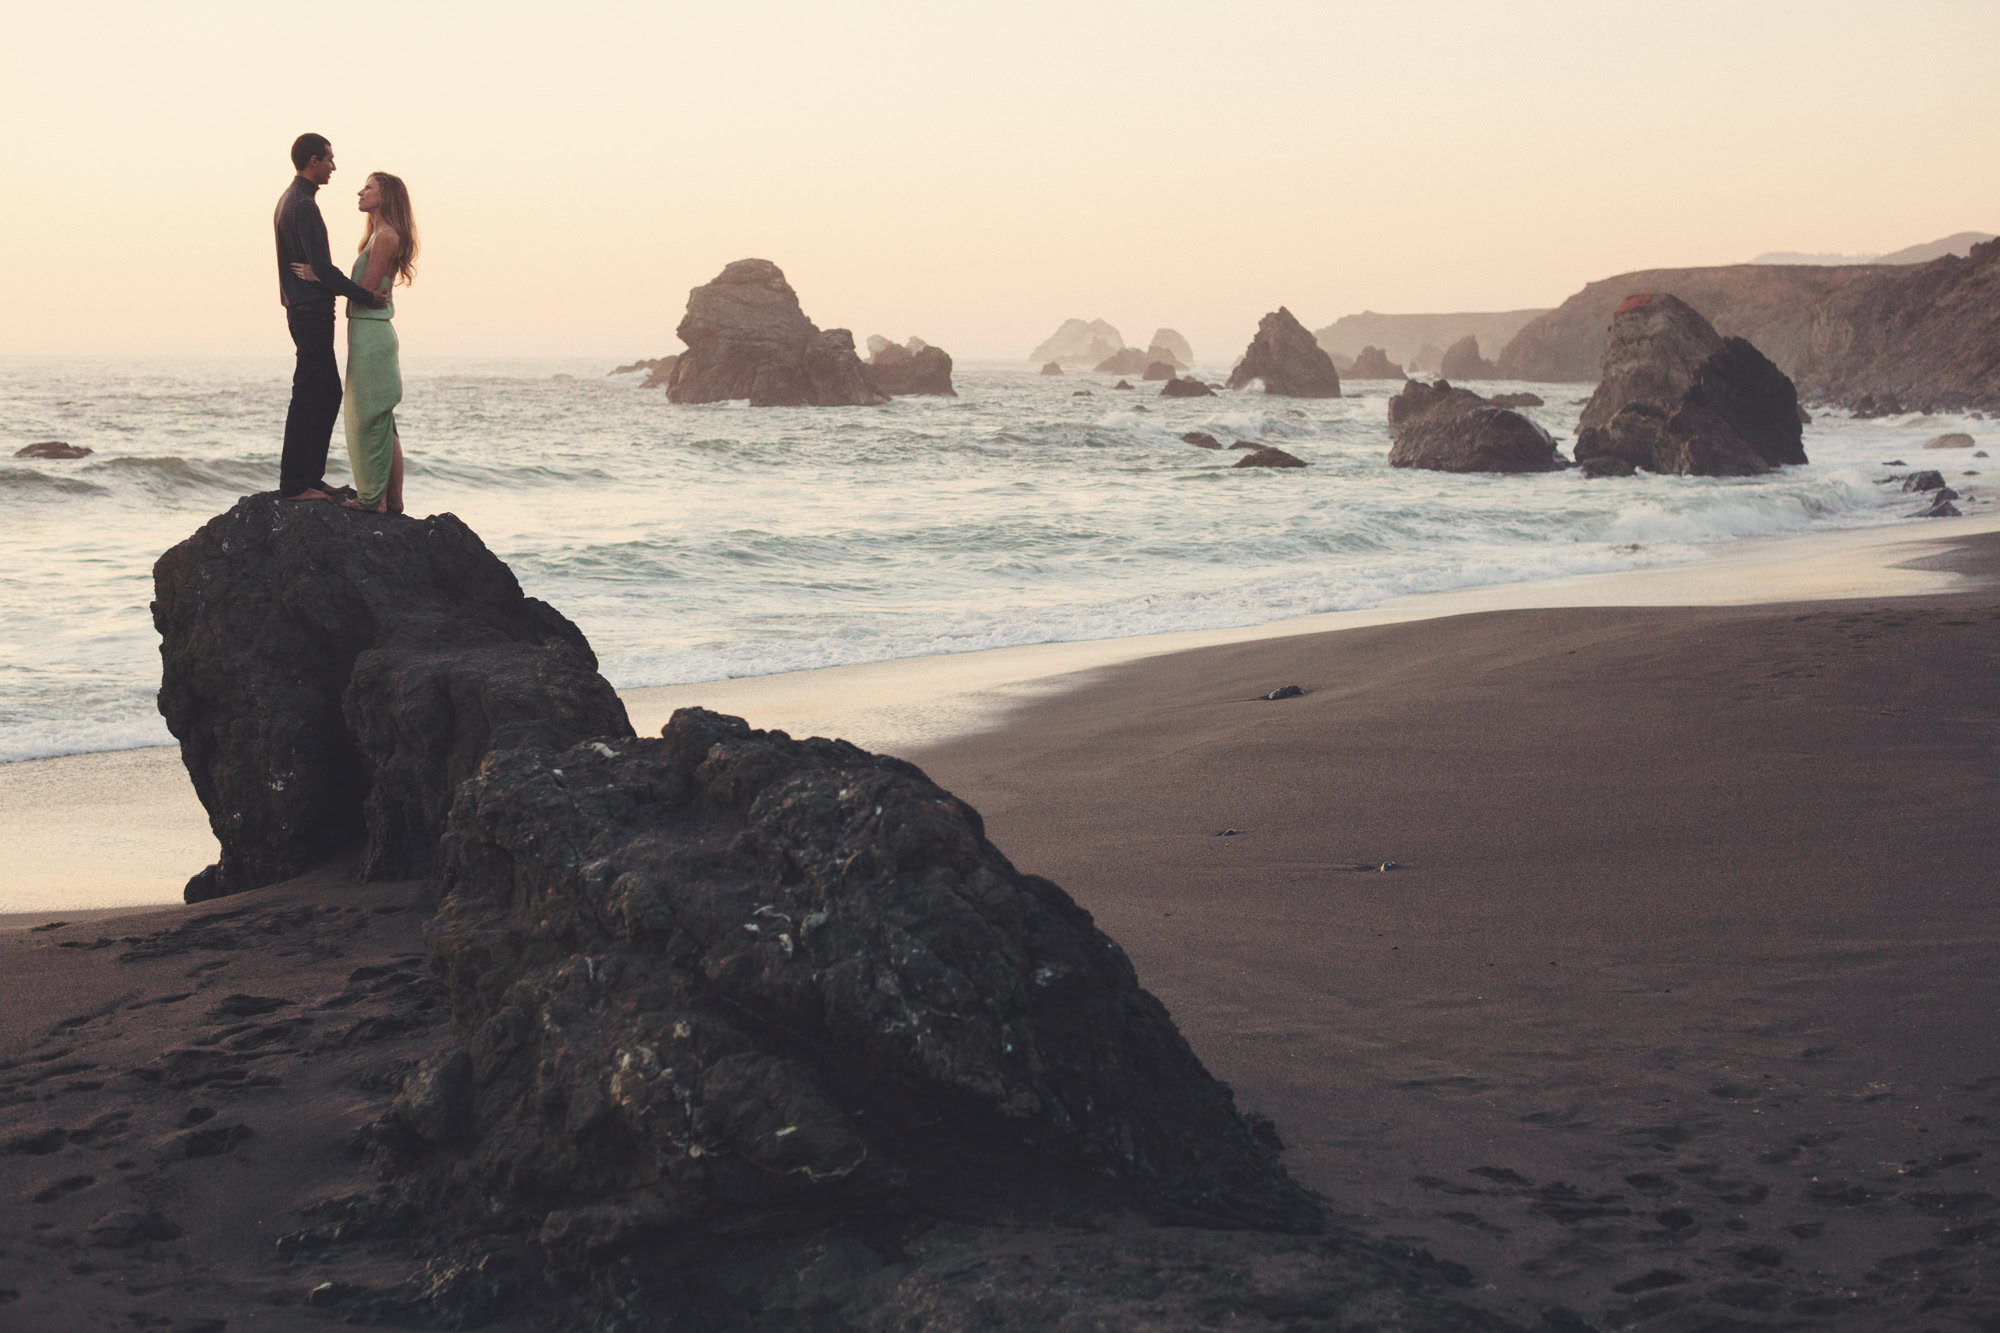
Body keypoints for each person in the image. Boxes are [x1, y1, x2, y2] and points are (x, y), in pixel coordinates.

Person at [294, 172, 417, 513]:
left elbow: (364, 291)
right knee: (382, 420)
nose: (360, 192)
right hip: (366, 333)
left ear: (386, 196)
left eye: (369, 188)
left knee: (368, 419)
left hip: (372, 335)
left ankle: (372, 500)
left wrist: (319, 274)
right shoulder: (376, 236)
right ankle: (392, 501)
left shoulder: (386, 237)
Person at [273, 133, 385, 502]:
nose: (334, 166)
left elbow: (318, 269)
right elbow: (321, 267)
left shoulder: (290, 200)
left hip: (302, 308)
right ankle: (295, 485)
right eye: (329, 159)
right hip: (310, 311)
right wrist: (366, 296)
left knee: (327, 392)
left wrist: (320, 274)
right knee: (308, 394)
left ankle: (311, 477)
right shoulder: (303, 205)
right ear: (312, 161)